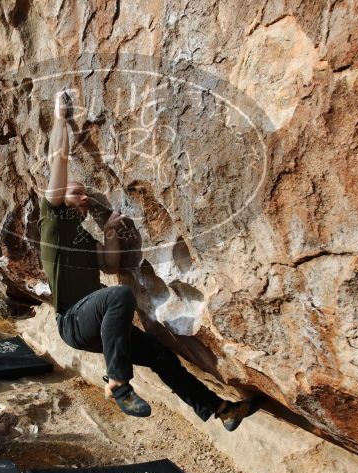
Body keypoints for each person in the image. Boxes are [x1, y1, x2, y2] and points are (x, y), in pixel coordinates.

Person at [39, 92, 258, 428]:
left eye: (85, 193)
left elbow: (110, 265)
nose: (83, 198)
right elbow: (59, 161)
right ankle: (116, 382)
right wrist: (60, 120)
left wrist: (111, 231)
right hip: (72, 320)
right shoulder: (52, 222)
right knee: (119, 295)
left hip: (96, 321)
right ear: (59, 197)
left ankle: (220, 410)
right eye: (76, 193)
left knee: (159, 355)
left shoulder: (82, 237)